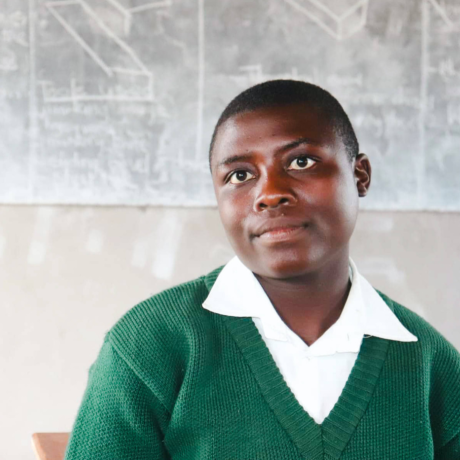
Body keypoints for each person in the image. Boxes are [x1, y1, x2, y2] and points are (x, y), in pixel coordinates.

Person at [64, 80, 460, 459]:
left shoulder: (430, 364)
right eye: (240, 175)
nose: (269, 194)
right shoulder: (151, 345)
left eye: (301, 162)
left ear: (360, 175)